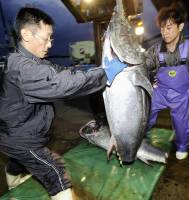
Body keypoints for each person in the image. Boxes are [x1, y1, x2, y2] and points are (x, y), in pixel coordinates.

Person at [0, 7, 109, 200]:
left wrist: (96, 69)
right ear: (26, 34)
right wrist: (105, 73)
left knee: (18, 162)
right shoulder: (23, 68)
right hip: (21, 138)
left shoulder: (34, 62)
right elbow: (61, 84)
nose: (50, 44)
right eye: (47, 37)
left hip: (15, 133)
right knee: (56, 173)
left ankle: (14, 185)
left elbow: (62, 72)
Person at [145, 2, 189, 160]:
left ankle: (182, 146)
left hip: (181, 94)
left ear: (180, 26)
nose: (164, 32)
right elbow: (146, 68)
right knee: (146, 113)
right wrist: (150, 81)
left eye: (169, 28)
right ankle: (141, 136)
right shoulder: (154, 51)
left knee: (181, 124)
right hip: (160, 91)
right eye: (162, 28)